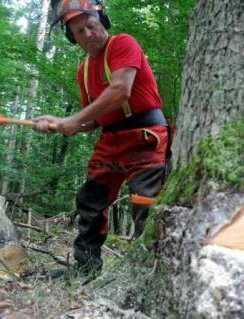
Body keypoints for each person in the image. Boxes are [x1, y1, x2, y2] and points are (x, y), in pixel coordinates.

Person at [35, 0, 170, 277]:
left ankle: (147, 271)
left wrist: (73, 120)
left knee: (145, 201)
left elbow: (121, 89)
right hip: (110, 140)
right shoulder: (83, 71)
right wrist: (60, 124)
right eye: (79, 32)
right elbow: (93, 120)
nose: (87, 35)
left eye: (91, 26)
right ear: (71, 37)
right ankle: (86, 267)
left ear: (101, 21)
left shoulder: (122, 44)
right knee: (90, 199)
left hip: (144, 135)